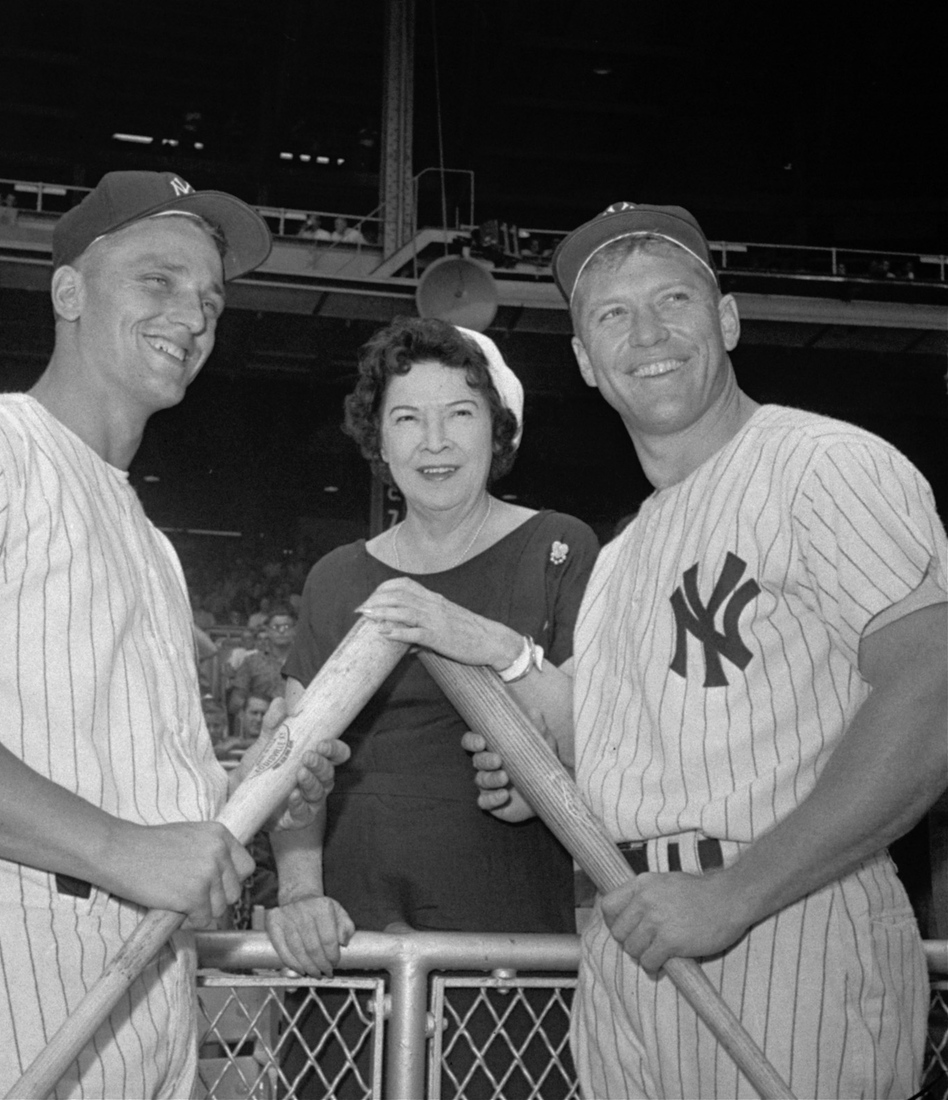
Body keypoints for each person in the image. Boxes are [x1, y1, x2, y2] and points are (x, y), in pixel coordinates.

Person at [362, 202, 947, 1099]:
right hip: (629, 938)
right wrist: (543, 768)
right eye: (612, 316)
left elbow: (932, 687)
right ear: (589, 365)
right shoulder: (627, 551)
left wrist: (736, 893)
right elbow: (611, 743)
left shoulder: (820, 464)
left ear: (727, 319)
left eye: (673, 299)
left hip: (780, 924)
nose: (649, 333)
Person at [0, 170, 350, 1099]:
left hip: (145, 978)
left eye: (210, 298)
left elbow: (124, 785)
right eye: (157, 281)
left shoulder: (153, 547)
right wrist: (123, 847)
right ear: (70, 291)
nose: (193, 316)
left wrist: (250, 793)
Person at [264, 315, 599, 1097]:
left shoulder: (559, 548)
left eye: (460, 414)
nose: (434, 442)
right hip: (353, 948)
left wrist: (490, 649)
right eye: (407, 419)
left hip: (510, 949)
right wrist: (300, 891)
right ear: (379, 441)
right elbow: (292, 763)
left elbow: (599, 732)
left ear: (498, 430)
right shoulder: (336, 578)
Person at [227, 603, 297, 724]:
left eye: (286, 626)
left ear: (294, 630)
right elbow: (236, 702)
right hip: (261, 725)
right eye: (276, 627)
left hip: (297, 724)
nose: (281, 631)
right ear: (268, 630)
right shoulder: (252, 661)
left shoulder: (305, 662)